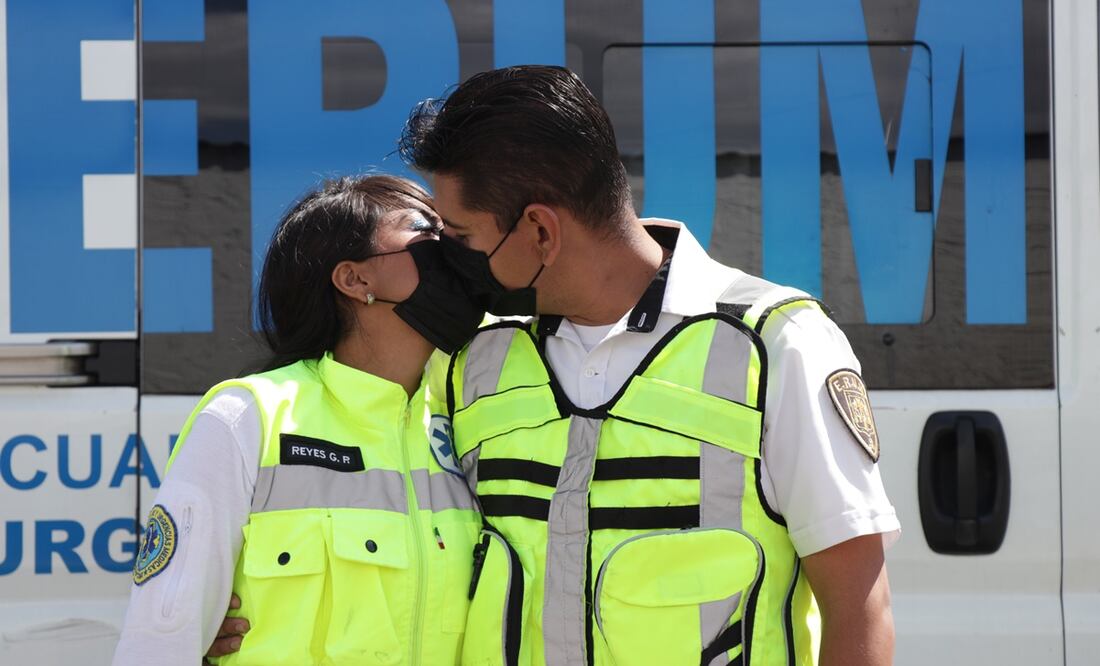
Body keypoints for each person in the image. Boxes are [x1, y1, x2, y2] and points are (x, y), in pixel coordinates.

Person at [212, 66, 899, 665]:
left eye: (461, 237)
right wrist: (232, 603)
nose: (450, 259)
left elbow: (857, 606)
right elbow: (375, 495)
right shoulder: (472, 359)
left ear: (540, 230)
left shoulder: (776, 346)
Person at [112, 175, 485, 665]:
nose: (452, 253)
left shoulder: (479, 417)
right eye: (426, 235)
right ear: (355, 280)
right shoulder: (247, 419)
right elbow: (157, 644)